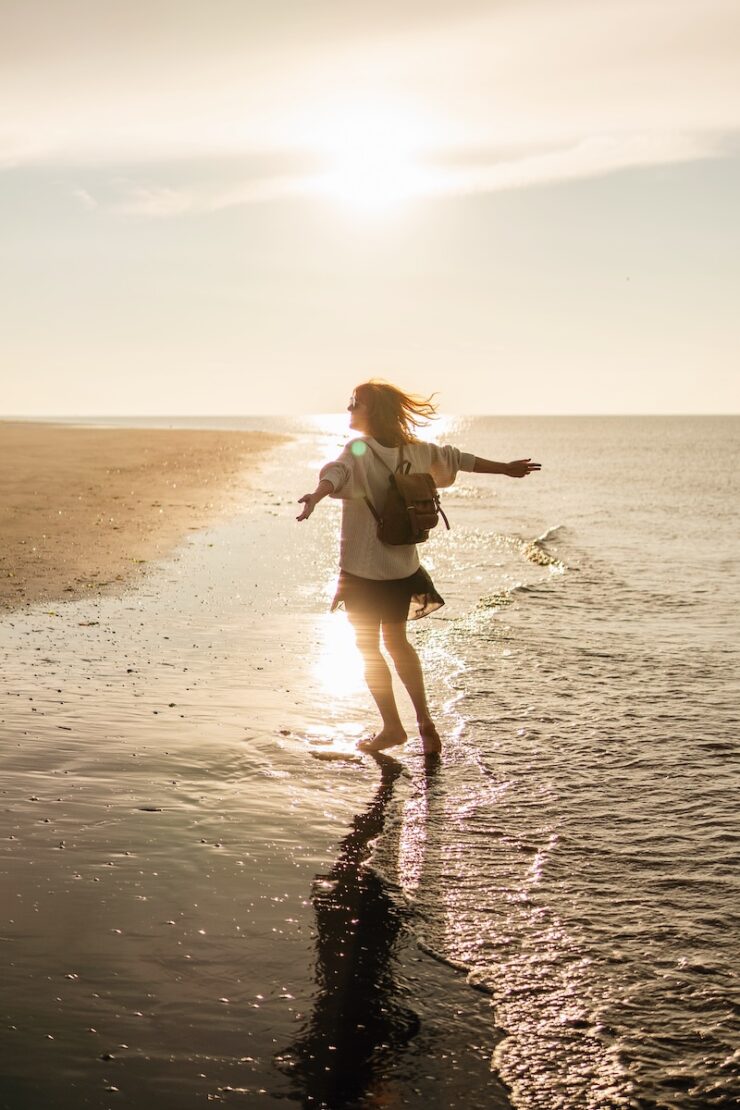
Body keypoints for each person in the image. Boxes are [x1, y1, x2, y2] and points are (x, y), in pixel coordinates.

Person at [296, 380, 541, 755]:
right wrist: (505, 469)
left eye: (354, 403)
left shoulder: (357, 449)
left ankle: (393, 728)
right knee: (398, 643)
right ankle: (425, 722)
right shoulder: (417, 451)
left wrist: (316, 494)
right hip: (402, 570)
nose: (348, 409)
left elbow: (337, 473)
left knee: (368, 649)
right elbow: (457, 458)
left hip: (362, 572)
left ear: (370, 411)